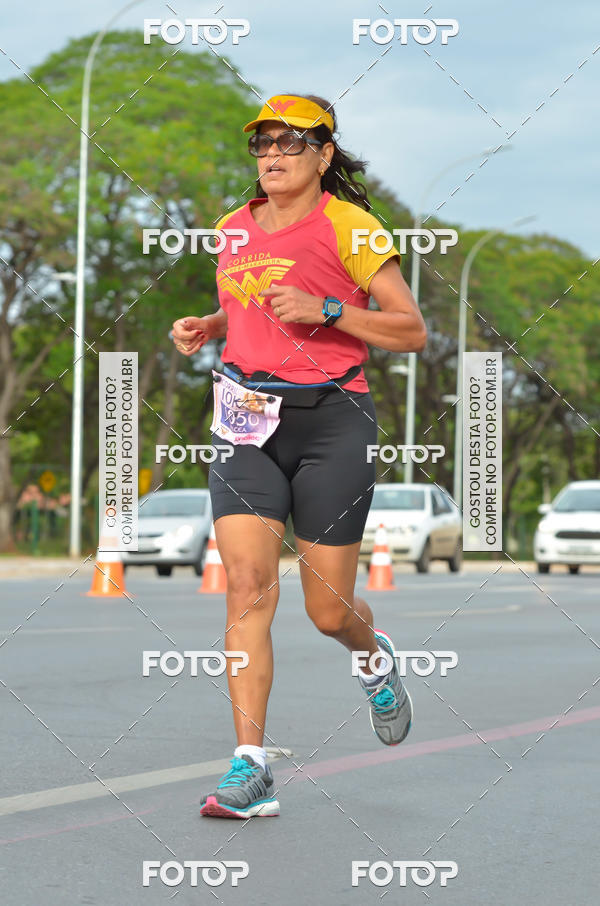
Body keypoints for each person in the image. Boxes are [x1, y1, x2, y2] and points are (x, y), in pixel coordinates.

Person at [171, 93, 427, 818]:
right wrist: (209, 324)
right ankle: (250, 768)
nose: (273, 155)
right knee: (246, 584)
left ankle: (373, 656)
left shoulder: (352, 227)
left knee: (327, 611)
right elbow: (250, 300)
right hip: (245, 417)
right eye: (262, 144)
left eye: (290, 142)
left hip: (332, 423)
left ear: (323, 154)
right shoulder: (231, 229)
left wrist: (331, 310)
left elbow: (410, 331)